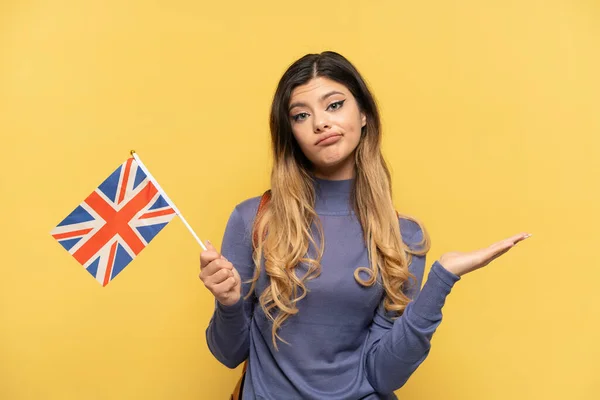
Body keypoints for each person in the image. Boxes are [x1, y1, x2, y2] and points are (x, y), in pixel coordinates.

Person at [199, 51, 531, 399]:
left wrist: (441, 279)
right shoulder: (253, 219)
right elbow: (229, 353)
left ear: (364, 115)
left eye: (334, 105)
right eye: (301, 115)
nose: (320, 123)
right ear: (291, 133)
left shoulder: (402, 236)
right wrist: (229, 303)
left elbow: (384, 374)